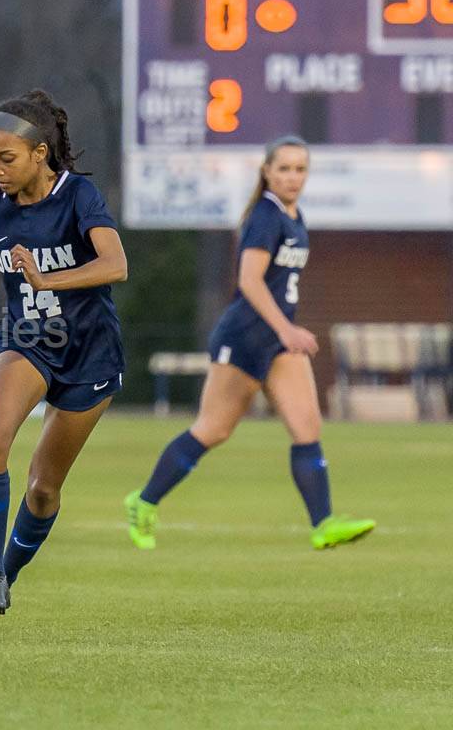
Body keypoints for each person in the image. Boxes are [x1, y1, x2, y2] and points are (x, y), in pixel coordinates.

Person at [0, 90, 128, 632]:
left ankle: (2, 580)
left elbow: (115, 264)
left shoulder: (79, 195)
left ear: (40, 152)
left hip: (91, 354)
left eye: (6, 158)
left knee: (43, 488)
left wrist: (45, 278)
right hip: (29, 340)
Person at [124, 136, 375, 551]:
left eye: (300, 169)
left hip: (275, 341)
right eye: (285, 169)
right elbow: (249, 281)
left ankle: (323, 523)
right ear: (267, 172)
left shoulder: (294, 215)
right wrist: (287, 330)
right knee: (214, 429)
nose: (293, 177)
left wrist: (284, 334)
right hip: (244, 337)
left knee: (307, 428)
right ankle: (143, 501)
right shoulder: (266, 216)